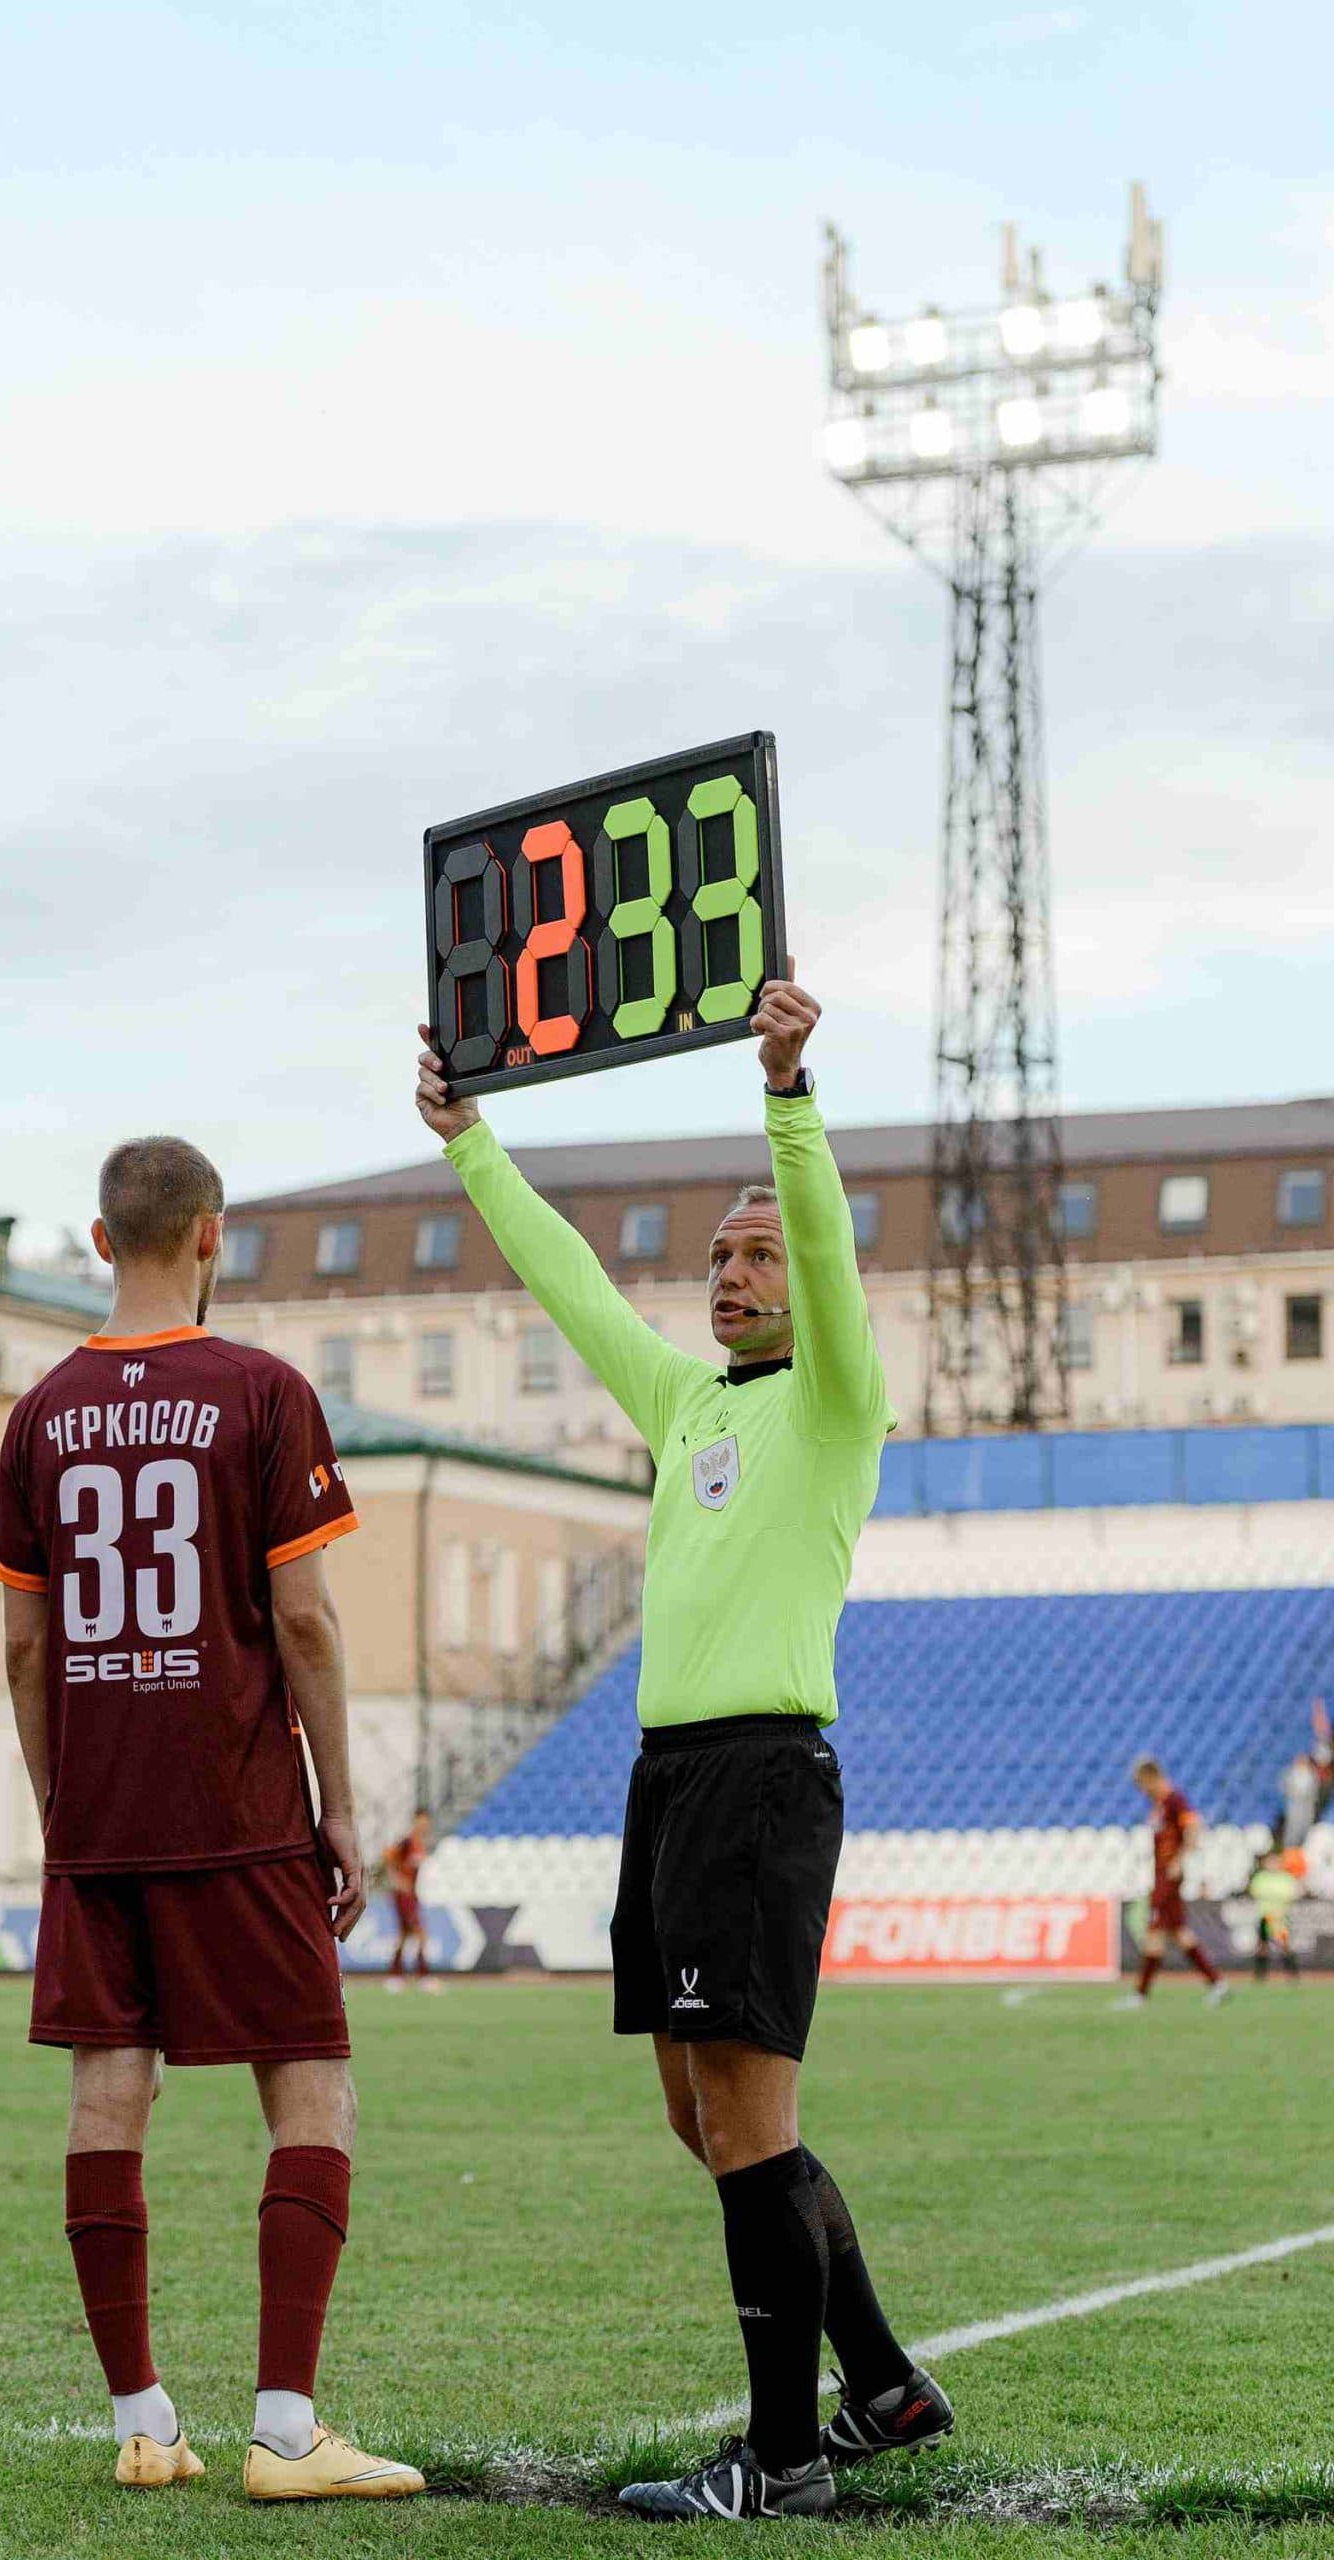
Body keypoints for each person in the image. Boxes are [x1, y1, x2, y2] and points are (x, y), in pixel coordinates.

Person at [415, 972, 950, 2522]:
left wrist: (786, 1099)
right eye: (718, 1255)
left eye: (757, 1253)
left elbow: (830, 1245)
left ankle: (786, 2462)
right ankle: (888, 2387)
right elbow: (574, 1281)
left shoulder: (838, 1404)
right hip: (666, 1785)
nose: (731, 1272)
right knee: (698, 2115)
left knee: (747, 2121)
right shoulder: (688, 1404)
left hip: (763, 1777)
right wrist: (472, 1146)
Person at [0, 1134, 423, 2504]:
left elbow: (20, 1645)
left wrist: (66, 1802)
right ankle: (287, 2432)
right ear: (213, 1237)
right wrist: (339, 1805)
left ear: (103, 1242)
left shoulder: (40, 1412)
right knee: (311, 2089)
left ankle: (144, 2423)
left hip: (102, 1818)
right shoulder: (262, 1391)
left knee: (107, 2098)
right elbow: (300, 1615)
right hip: (236, 1805)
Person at [1116, 1758, 1228, 2008]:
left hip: (1168, 1877)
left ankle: (1140, 1994)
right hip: (1162, 1875)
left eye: (1142, 1784)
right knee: (1178, 1932)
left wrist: (1178, 1860)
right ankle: (1216, 1983)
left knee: (1156, 1932)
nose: (1141, 1790)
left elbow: (1194, 1828)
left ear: (1151, 1777)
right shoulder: (1159, 1803)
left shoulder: (1174, 1800)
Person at [382, 1811, 440, 1993]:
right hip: (403, 1896)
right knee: (420, 1934)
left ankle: (395, 1976)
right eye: (421, 1821)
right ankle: (423, 1977)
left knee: (403, 1935)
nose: (424, 1825)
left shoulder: (419, 1845)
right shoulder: (407, 1842)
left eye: (426, 1822)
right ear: (415, 1822)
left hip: (411, 1895)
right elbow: (388, 1857)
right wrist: (398, 1881)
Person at [1247, 1855, 1301, 1984]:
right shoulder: (1261, 1877)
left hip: (1280, 1918)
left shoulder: (1286, 1878)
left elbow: (1290, 1894)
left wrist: (1272, 1895)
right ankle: (1260, 1975)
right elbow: (1256, 1892)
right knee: (1262, 1946)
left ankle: (1292, 1974)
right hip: (1265, 1916)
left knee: (1284, 1945)